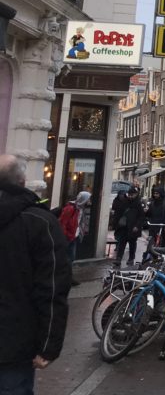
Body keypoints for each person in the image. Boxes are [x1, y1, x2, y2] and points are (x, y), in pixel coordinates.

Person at [0, 155, 71, 395]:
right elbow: (51, 288)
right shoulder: (40, 223)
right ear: (22, 181)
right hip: (13, 343)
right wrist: (49, 345)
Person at [58, 191, 90, 285]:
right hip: (68, 237)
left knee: (71, 258)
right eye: (88, 199)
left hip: (74, 236)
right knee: (65, 258)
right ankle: (63, 277)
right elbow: (63, 223)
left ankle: (68, 277)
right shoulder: (70, 209)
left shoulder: (80, 209)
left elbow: (79, 222)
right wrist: (66, 235)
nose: (89, 201)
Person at [111, 186, 144, 266]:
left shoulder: (138, 203)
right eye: (129, 194)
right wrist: (115, 224)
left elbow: (141, 216)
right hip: (124, 227)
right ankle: (118, 259)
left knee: (132, 244)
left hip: (133, 228)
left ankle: (131, 259)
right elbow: (119, 213)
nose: (130, 196)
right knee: (122, 243)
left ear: (136, 194)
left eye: (132, 194)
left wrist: (137, 226)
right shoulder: (124, 202)